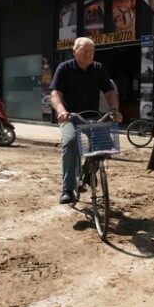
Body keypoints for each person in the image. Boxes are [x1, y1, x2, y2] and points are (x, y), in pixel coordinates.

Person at [50, 37, 123, 204]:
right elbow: (55, 94)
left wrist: (114, 110)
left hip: (91, 117)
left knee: (105, 145)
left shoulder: (98, 68)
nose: (89, 55)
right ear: (75, 52)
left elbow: (110, 92)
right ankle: (68, 189)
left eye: (92, 52)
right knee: (69, 142)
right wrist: (61, 111)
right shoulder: (64, 68)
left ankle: (89, 173)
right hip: (71, 117)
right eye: (85, 52)